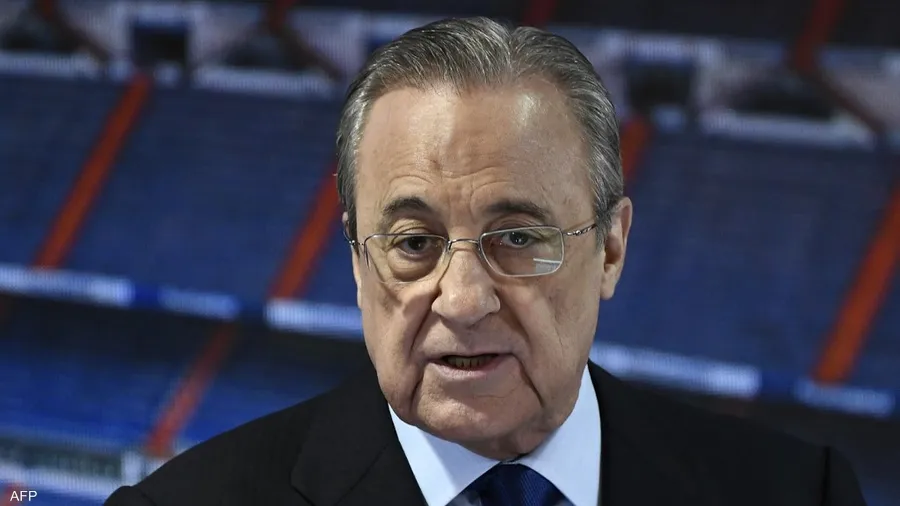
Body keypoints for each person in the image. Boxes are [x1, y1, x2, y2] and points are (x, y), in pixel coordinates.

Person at [105, 17, 867, 506]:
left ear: (610, 248)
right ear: (358, 260)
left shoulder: (800, 493)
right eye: (413, 244)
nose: (463, 300)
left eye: (518, 239)